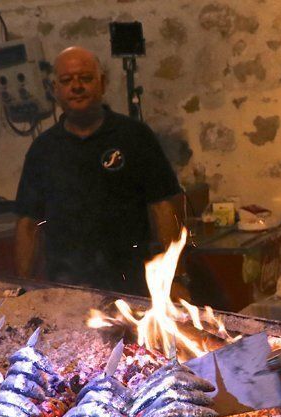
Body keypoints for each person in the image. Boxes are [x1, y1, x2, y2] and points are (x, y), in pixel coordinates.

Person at [14, 46, 184, 294]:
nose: (77, 86)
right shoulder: (43, 149)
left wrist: (176, 278)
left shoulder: (134, 136)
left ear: (102, 83)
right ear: (55, 90)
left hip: (132, 286)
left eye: (85, 78)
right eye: (67, 80)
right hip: (67, 289)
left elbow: (163, 207)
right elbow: (28, 222)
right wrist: (23, 287)